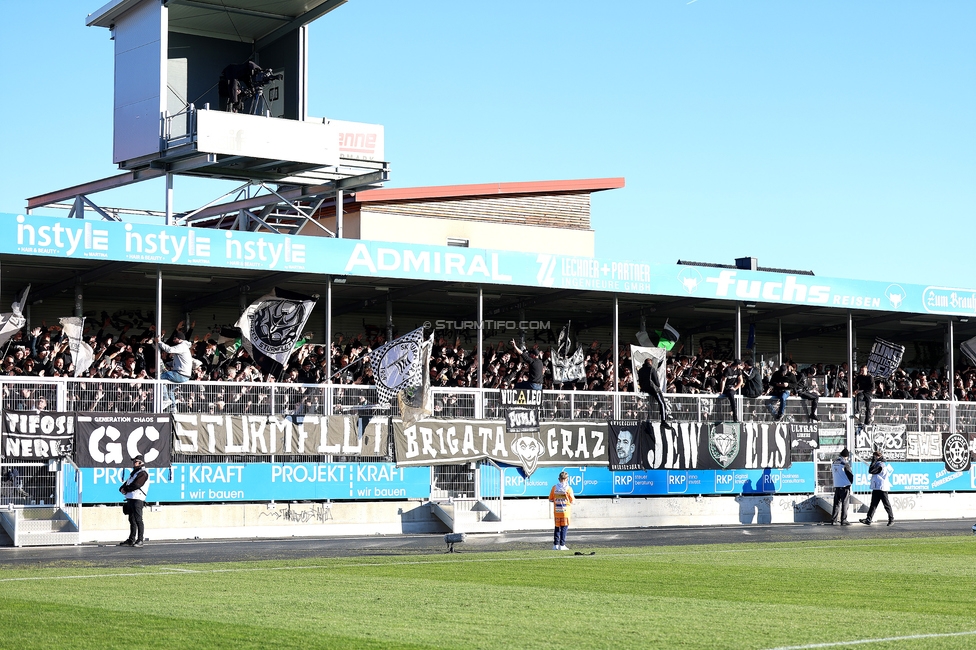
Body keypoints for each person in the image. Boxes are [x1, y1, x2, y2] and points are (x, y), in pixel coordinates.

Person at [156, 331, 193, 410]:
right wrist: (169, 364)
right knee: (170, 390)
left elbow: (169, 349)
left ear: (180, 339)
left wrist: (159, 342)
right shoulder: (184, 347)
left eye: (175, 338)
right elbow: (179, 361)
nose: (173, 340)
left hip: (180, 374)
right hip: (185, 376)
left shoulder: (182, 346)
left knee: (159, 377)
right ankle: (173, 408)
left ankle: (165, 399)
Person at [118, 455, 149, 547]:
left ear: (141, 463)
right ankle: (131, 539)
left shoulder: (143, 473)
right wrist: (122, 488)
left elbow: (136, 485)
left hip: (137, 498)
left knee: (138, 519)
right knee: (132, 519)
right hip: (131, 497)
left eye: (136, 461)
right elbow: (127, 483)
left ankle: (140, 540)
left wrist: (126, 489)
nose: (133, 463)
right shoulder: (135, 473)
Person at [860, 450, 894, 526]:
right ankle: (868, 519)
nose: (874, 458)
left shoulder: (881, 465)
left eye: (875, 456)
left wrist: (873, 462)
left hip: (882, 488)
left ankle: (891, 519)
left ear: (879, 457)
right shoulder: (877, 463)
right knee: (873, 504)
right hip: (876, 487)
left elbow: (871, 471)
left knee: (886, 504)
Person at [548, 471, 575, 550]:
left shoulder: (554, 488)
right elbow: (572, 501)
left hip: (557, 510)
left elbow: (550, 499)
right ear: (567, 479)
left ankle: (555, 544)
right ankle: (562, 544)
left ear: (558, 478)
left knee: (557, 527)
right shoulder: (568, 489)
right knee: (564, 527)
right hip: (565, 511)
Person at [637, 357, 668, 424]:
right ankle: (663, 420)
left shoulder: (640, 370)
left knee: (648, 406)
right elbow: (657, 383)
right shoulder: (652, 369)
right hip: (653, 389)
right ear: (651, 363)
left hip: (644, 389)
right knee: (662, 403)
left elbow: (640, 381)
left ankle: (647, 419)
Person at [830, 448, 853, 525]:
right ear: (846, 456)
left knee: (836, 504)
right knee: (845, 503)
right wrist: (850, 482)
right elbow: (850, 474)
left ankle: (834, 520)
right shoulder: (845, 463)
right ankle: (844, 519)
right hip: (845, 485)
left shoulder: (834, 462)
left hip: (837, 485)